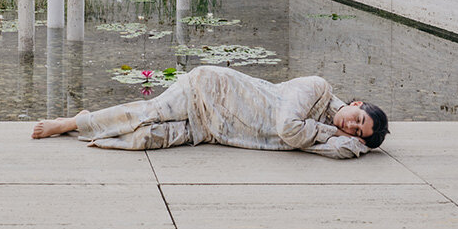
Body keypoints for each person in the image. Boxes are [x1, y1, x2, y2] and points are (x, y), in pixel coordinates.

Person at [32, 66, 389, 159]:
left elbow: (343, 148)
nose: (351, 129)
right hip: (212, 91)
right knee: (146, 113)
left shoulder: (334, 134)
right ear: (355, 104)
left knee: (143, 139)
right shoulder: (317, 88)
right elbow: (288, 128)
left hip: (214, 129)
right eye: (358, 121)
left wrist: (351, 142)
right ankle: (72, 122)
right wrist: (334, 133)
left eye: (358, 133)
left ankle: (92, 125)